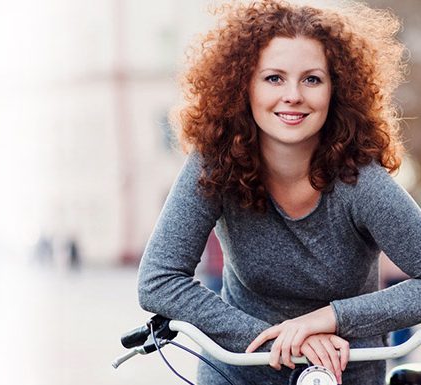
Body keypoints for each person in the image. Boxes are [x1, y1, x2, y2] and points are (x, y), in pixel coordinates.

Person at [136, 1, 420, 384]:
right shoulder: (215, 165)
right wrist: (281, 342)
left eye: (312, 79)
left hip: (342, 369)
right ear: (244, 87)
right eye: (274, 78)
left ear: (336, 90)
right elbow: (159, 280)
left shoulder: (361, 182)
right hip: (239, 367)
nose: (293, 95)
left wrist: (327, 318)